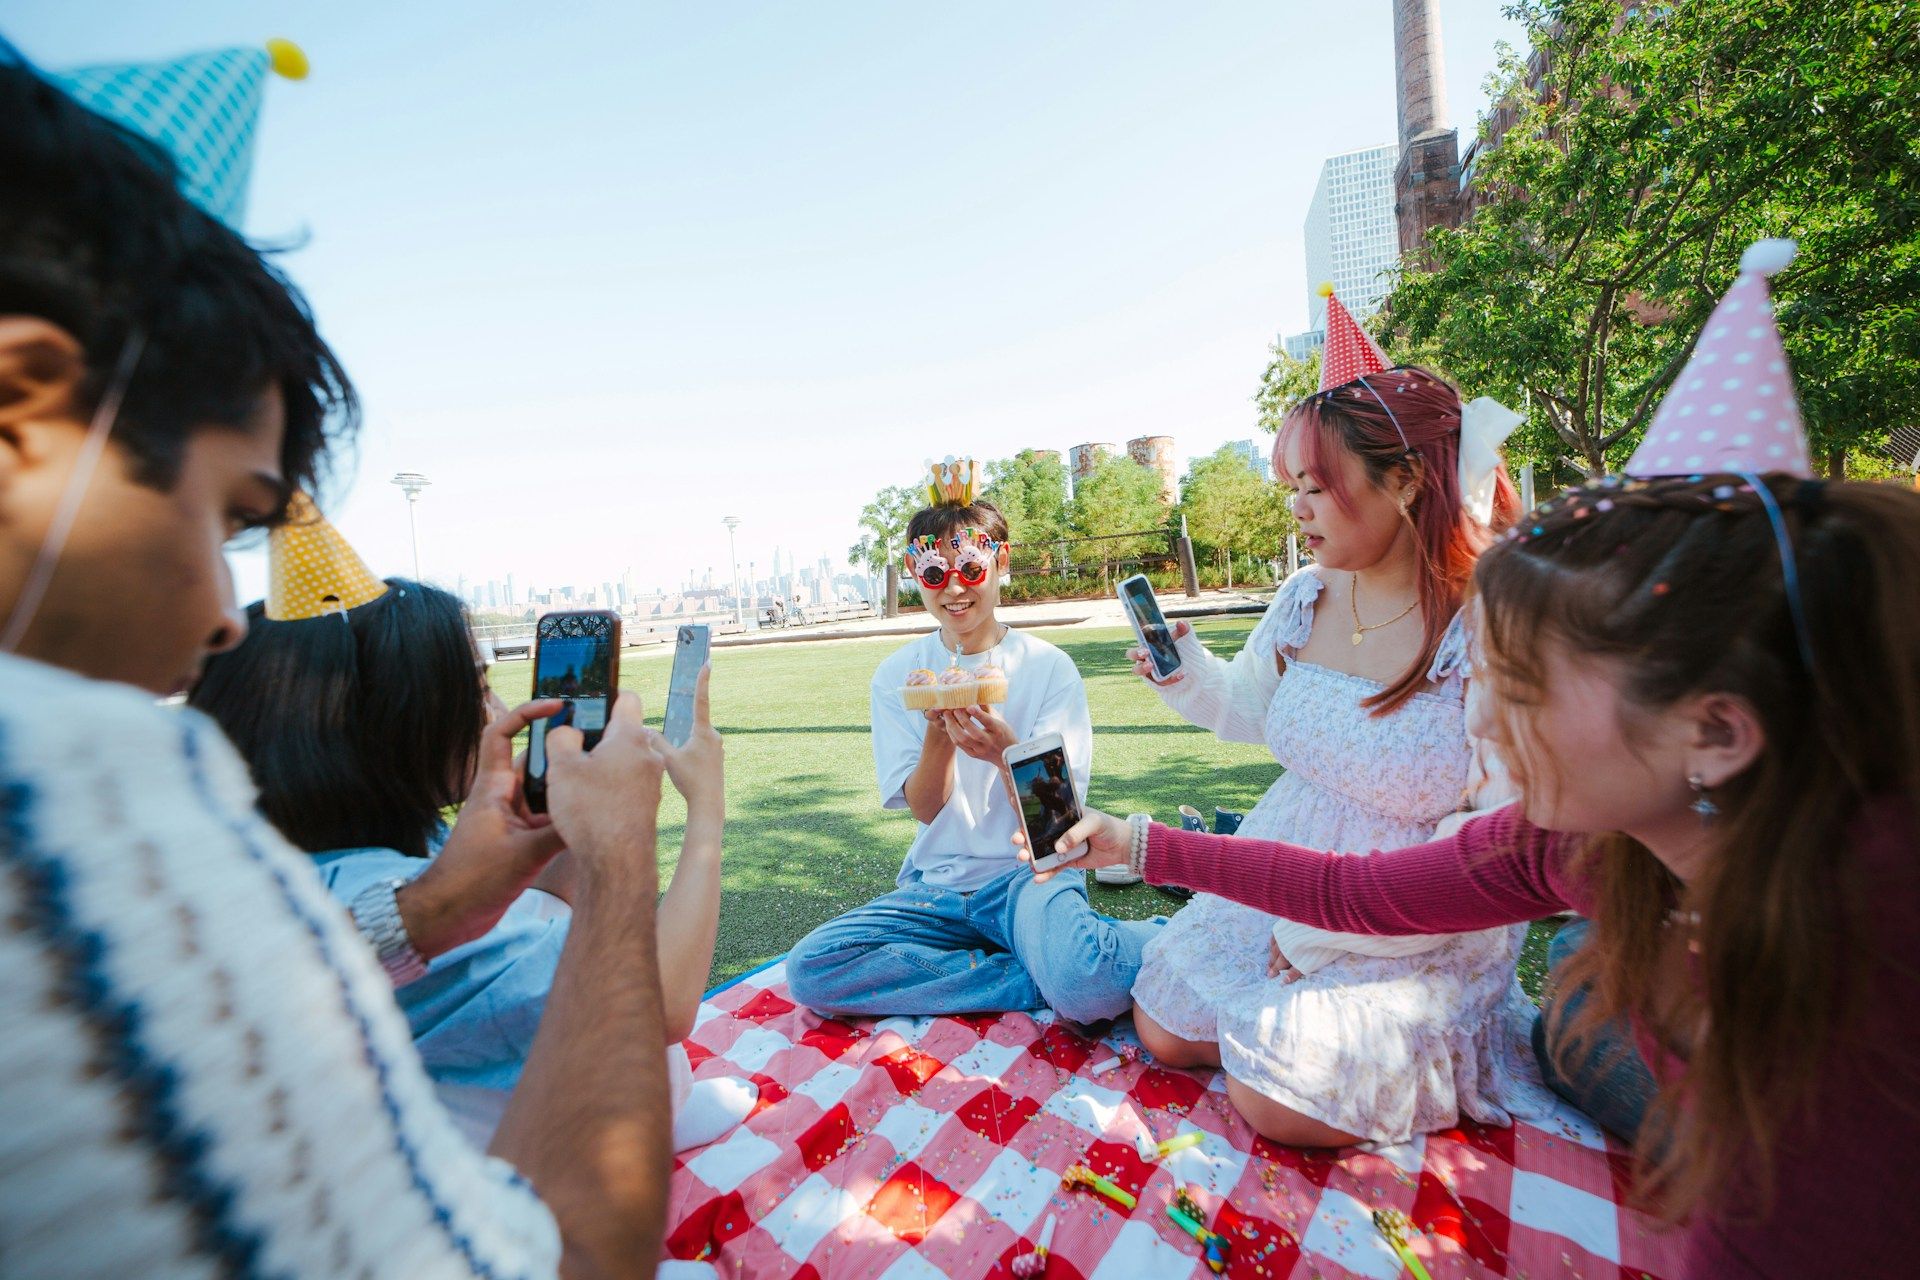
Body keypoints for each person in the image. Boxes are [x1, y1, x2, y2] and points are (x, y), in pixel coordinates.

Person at [0, 52, 671, 1277]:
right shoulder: (80, 795)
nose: (222, 618)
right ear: (22, 408)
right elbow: (565, 1255)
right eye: (221, 517)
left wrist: (433, 903)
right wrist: (622, 864)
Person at [1026, 473, 1920, 1278]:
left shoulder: (1862, 972)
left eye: (1525, 684)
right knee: (1578, 1023)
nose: (1479, 719)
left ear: (1718, 734)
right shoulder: (1580, 844)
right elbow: (1363, 894)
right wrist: (1141, 845)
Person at [189, 550, 757, 1154]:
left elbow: (540, 897)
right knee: (621, 1010)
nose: (501, 712)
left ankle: (672, 1105)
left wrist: (551, 803)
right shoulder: (372, 897)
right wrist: (703, 809)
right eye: (479, 687)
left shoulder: (354, 842)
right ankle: (663, 1115)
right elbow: (661, 1007)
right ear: (394, 723)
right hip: (510, 1184)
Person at [1124, 349, 1536, 1146]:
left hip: (1420, 911)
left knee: (1280, 1093)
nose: (1300, 511)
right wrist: (1186, 673)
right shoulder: (1306, 592)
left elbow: (1498, 847)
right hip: (1288, 862)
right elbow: (1249, 712)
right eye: (1295, 491)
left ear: (1408, 479)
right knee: (1166, 1023)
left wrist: (1328, 933)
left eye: (1318, 487)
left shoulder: (1490, 619)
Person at [786, 474, 1158, 1023]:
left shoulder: (1048, 667)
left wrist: (1006, 751)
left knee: (1088, 990)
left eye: (970, 570)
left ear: (1000, 561)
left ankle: (1125, 946)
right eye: (934, 574)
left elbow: (1060, 821)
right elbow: (926, 810)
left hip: (1029, 877)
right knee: (814, 967)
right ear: (916, 575)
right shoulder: (900, 677)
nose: (954, 589)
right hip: (936, 888)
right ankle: (1033, 974)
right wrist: (940, 733)